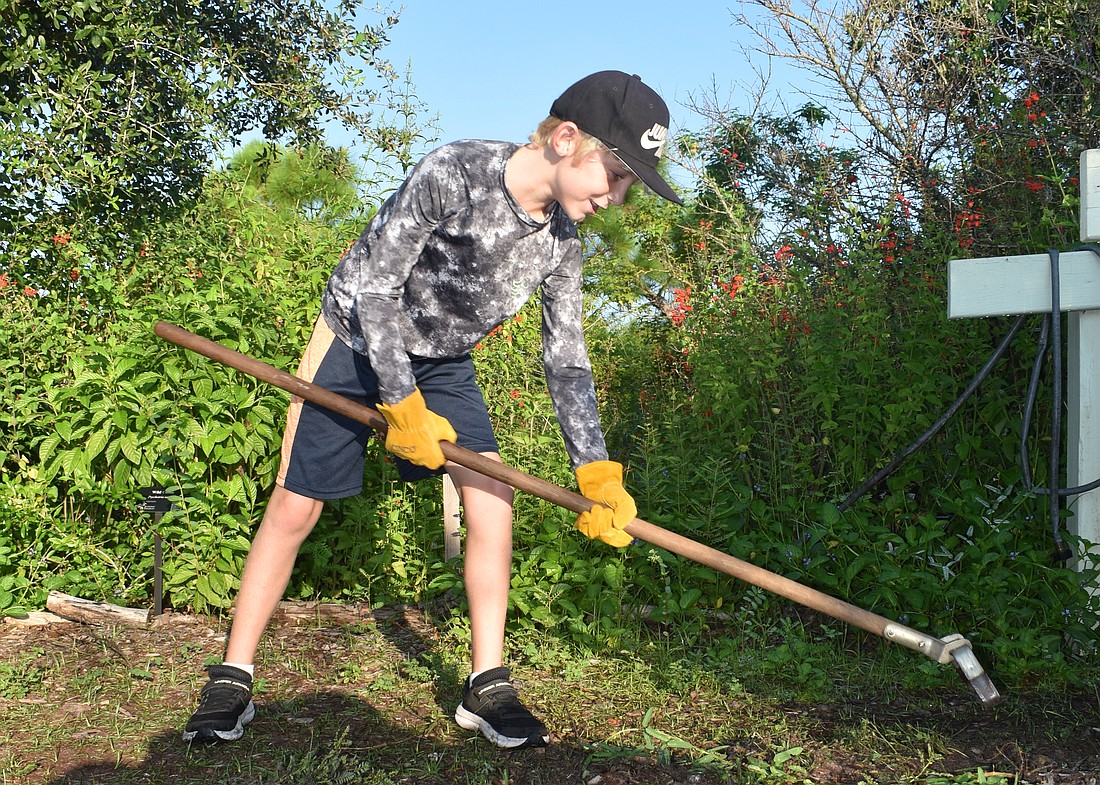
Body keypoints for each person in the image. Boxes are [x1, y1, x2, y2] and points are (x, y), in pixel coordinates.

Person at [182, 70, 682, 750]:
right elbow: (378, 290)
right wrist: (399, 401)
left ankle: (488, 682)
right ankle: (233, 674)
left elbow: (565, 358)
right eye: (617, 173)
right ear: (567, 139)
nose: (618, 196)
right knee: (297, 504)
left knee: (494, 495)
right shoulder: (457, 172)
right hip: (356, 336)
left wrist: (594, 469)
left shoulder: (561, 242)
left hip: (442, 360)